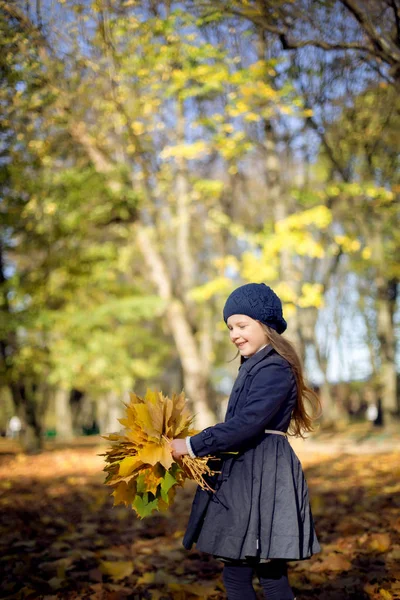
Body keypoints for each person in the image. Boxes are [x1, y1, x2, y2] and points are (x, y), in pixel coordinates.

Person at [170, 282, 322, 600]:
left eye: (242, 325)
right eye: (230, 327)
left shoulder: (275, 368)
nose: (234, 334)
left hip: (264, 475)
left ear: (266, 326)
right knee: (241, 572)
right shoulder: (253, 367)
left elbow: (248, 423)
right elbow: (240, 425)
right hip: (245, 473)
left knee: (266, 573)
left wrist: (194, 445)